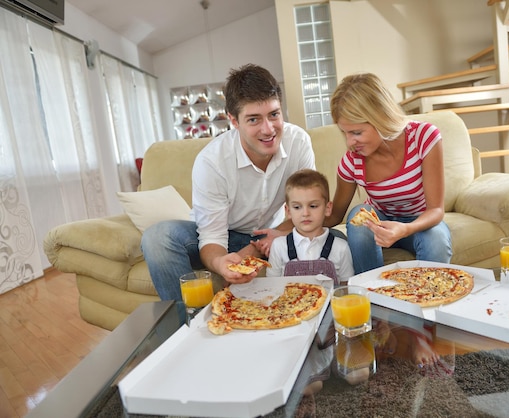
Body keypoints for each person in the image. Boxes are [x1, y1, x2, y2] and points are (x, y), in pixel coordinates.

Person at [141, 64, 316, 302]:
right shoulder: (212, 161)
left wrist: (265, 241)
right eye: (254, 119)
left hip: (273, 232)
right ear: (234, 121)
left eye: (274, 115)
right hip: (222, 232)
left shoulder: (299, 143)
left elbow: (308, 209)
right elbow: (212, 236)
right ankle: (186, 327)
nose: (268, 129)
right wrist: (220, 263)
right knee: (157, 238)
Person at [324, 72, 452, 274]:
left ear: (381, 118)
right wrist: (284, 229)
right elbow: (332, 216)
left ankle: (430, 298)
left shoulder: (424, 137)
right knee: (358, 216)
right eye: (345, 133)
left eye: (356, 132)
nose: (349, 143)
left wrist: (404, 229)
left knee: (436, 239)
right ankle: (372, 292)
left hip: (421, 221)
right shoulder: (352, 162)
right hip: (379, 224)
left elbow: (436, 210)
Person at [265, 169, 354, 283]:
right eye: (297, 207)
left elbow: (346, 289)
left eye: (313, 206)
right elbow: (271, 286)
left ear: (327, 209)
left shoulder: (341, 247)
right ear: (288, 211)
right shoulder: (279, 246)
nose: (305, 213)